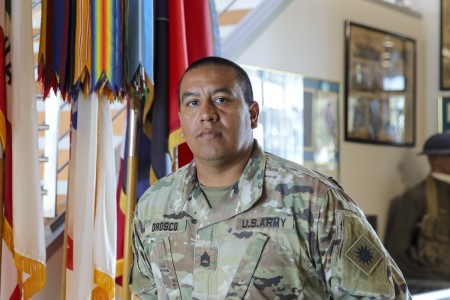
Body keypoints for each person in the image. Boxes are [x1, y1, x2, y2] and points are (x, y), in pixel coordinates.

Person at [129, 56, 411, 299]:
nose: (206, 114)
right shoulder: (155, 204)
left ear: (252, 114)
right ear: (181, 118)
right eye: (192, 102)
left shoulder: (313, 200)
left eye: (221, 99)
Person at [385, 132, 450, 294]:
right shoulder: (417, 196)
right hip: (434, 283)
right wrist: (436, 278)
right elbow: (396, 252)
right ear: (434, 158)